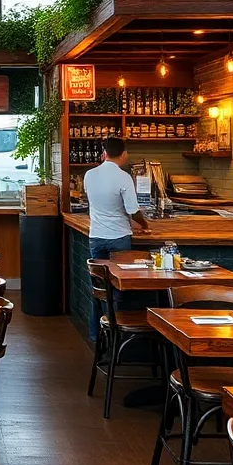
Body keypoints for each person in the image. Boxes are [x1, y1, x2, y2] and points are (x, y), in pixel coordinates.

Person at [82, 136, 151, 339]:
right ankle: (116, 335)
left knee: (99, 288)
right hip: (119, 238)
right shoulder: (124, 177)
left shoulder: (89, 175)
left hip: (96, 237)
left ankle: (97, 334)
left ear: (104, 153)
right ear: (123, 154)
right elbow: (133, 210)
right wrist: (145, 224)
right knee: (119, 289)